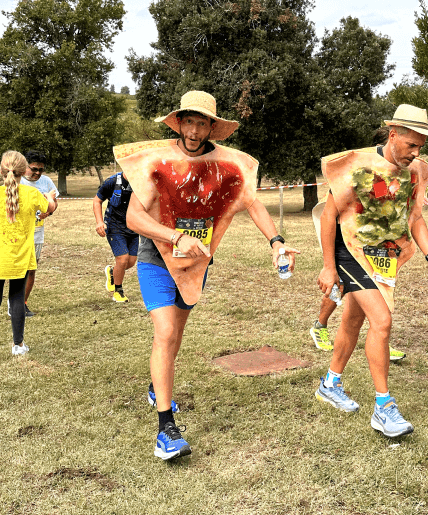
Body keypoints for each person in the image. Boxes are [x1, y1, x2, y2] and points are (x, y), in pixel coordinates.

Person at [118, 90, 299, 461]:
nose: (195, 129)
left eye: (202, 123)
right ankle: (165, 429)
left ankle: (158, 384)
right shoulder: (158, 161)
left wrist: (276, 242)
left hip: (197, 263)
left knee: (177, 333)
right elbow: (133, 218)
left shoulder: (224, 166)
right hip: (156, 256)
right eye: (189, 121)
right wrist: (174, 236)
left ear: (211, 128)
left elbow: (252, 203)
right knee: (165, 332)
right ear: (179, 123)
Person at [315, 104, 428, 438]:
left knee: (353, 321)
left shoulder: (415, 173)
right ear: (393, 135)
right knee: (382, 321)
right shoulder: (358, 165)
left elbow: (415, 218)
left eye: (420, 147)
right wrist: (330, 266)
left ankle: (330, 383)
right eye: (410, 145)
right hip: (349, 251)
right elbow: (329, 216)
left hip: (382, 256)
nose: (415, 153)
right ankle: (383, 408)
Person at [310, 127, 405, 361]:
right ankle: (320, 326)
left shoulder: (394, 171)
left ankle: (379, 338)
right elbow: (372, 197)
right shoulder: (363, 169)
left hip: (374, 242)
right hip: (345, 237)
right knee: (341, 285)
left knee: (374, 287)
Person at [0, 151, 56, 367]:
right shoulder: (33, 194)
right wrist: (51, 197)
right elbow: (50, 208)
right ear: (24, 171)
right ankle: (18, 345)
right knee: (16, 300)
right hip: (21, 258)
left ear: (0, 170)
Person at [21, 150, 59, 316]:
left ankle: (22, 303)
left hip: (36, 233)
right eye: (33, 169)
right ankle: (13, 303)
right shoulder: (17, 181)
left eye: (40, 170)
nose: (37, 173)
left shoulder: (46, 182)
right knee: (17, 270)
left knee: (31, 270)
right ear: (25, 166)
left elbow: (54, 202)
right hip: (18, 234)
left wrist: (49, 212)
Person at [93, 171, 139, 303]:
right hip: (114, 227)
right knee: (123, 259)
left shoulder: (141, 182)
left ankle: (113, 272)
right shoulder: (112, 181)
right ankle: (118, 292)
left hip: (133, 227)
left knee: (130, 262)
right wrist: (99, 222)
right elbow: (97, 200)